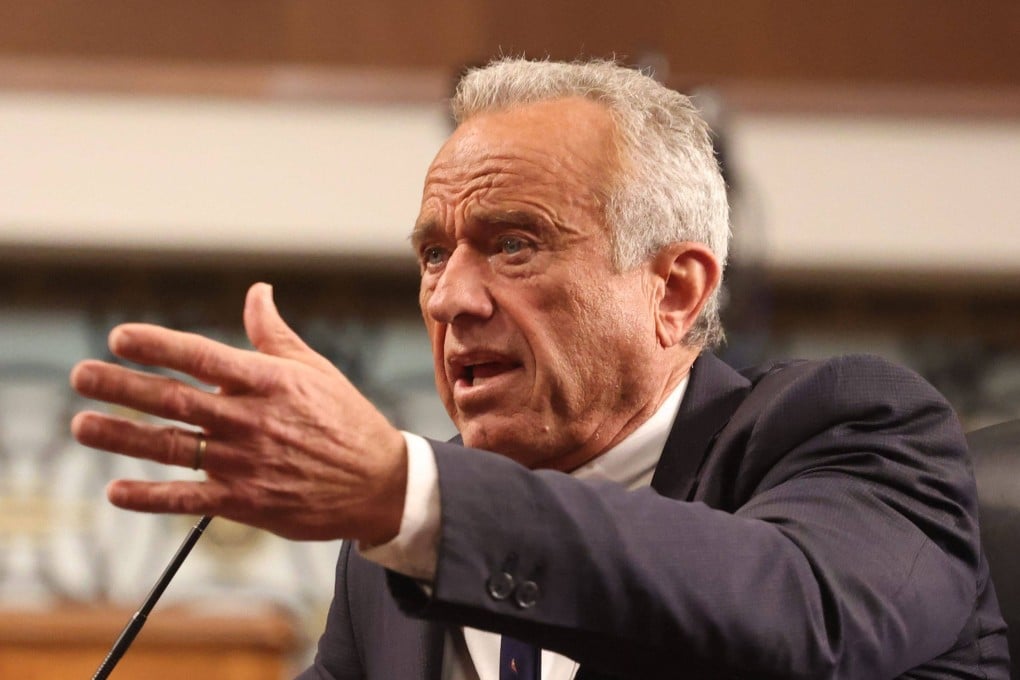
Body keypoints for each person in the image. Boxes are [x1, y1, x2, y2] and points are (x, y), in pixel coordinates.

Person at [70, 58, 1009, 679]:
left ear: (675, 290)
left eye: (513, 244)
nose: (449, 300)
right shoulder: (385, 566)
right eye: (434, 256)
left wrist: (412, 493)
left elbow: (798, 620)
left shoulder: (846, 430)